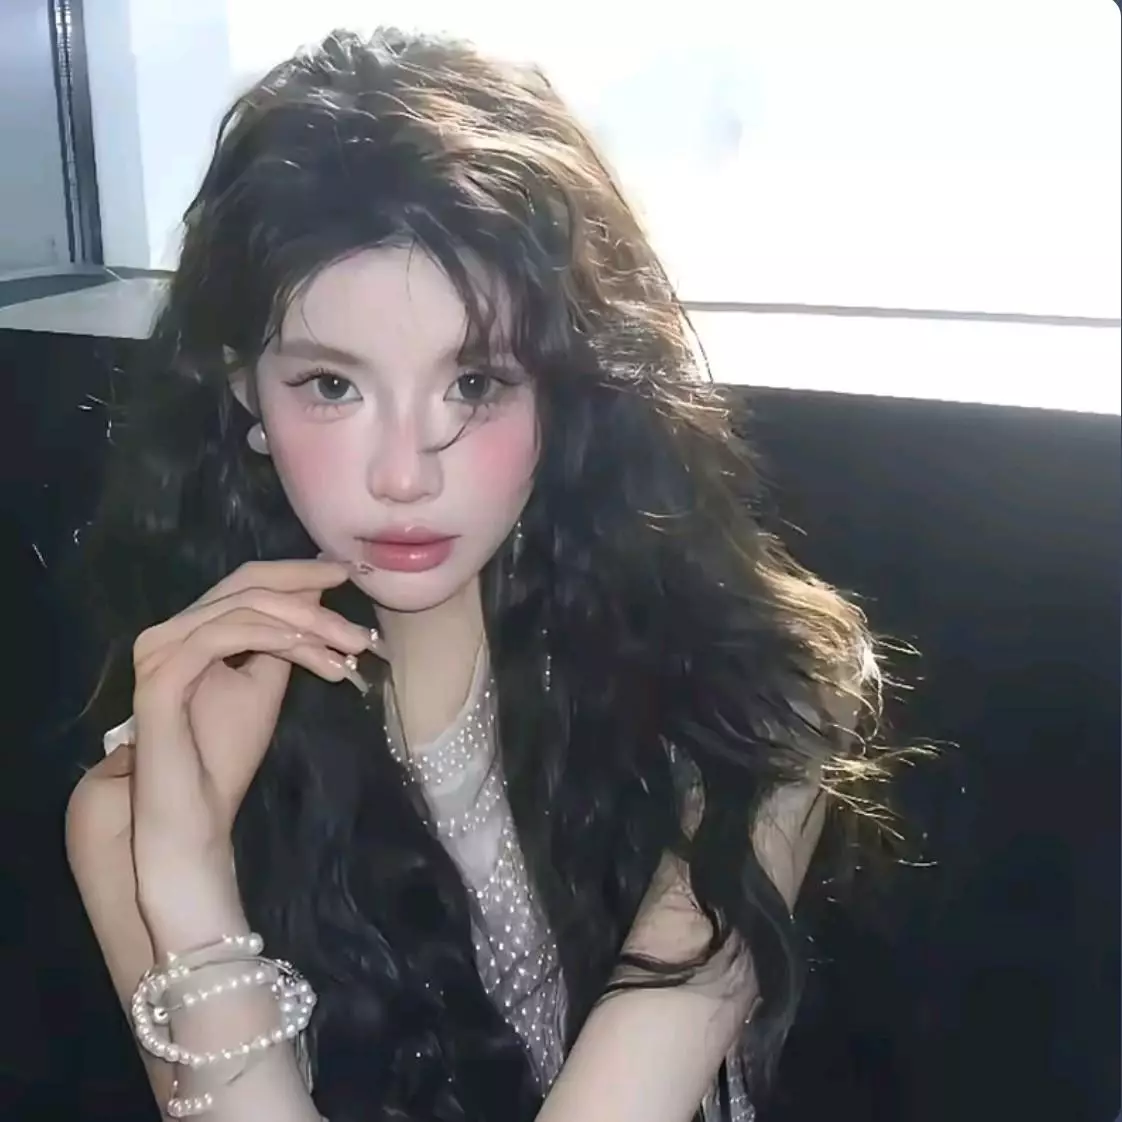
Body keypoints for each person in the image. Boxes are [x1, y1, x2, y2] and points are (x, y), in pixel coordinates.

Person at [65, 27, 888, 1122]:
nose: (404, 474)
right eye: (331, 386)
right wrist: (184, 879)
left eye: (475, 383)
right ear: (246, 394)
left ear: (565, 388)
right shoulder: (139, 814)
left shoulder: (755, 702)